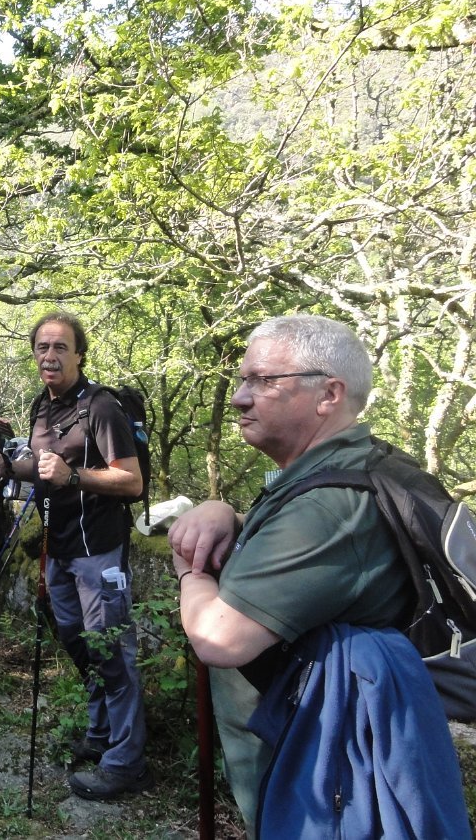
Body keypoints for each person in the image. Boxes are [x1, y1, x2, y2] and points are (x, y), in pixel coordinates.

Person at [168, 315, 428, 834]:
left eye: (263, 380)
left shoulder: (332, 505)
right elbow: (292, 547)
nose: (240, 397)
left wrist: (188, 570)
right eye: (243, 379)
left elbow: (219, 638)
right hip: (307, 761)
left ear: (329, 394)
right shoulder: (347, 469)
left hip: (313, 781)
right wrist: (225, 513)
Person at [0, 312, 150, 800]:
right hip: (59, 546)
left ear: (79, 354)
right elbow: (43, 466)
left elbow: (132, 482)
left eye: (60, 347)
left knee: (110, 651)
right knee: (77, 641)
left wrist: (73, 477)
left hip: (99, 550)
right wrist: (7, 466)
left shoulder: (101, 407)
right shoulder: (43, 406)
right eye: (42, 347)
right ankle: (101, 732)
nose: (49, 356)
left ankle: (127, 761)